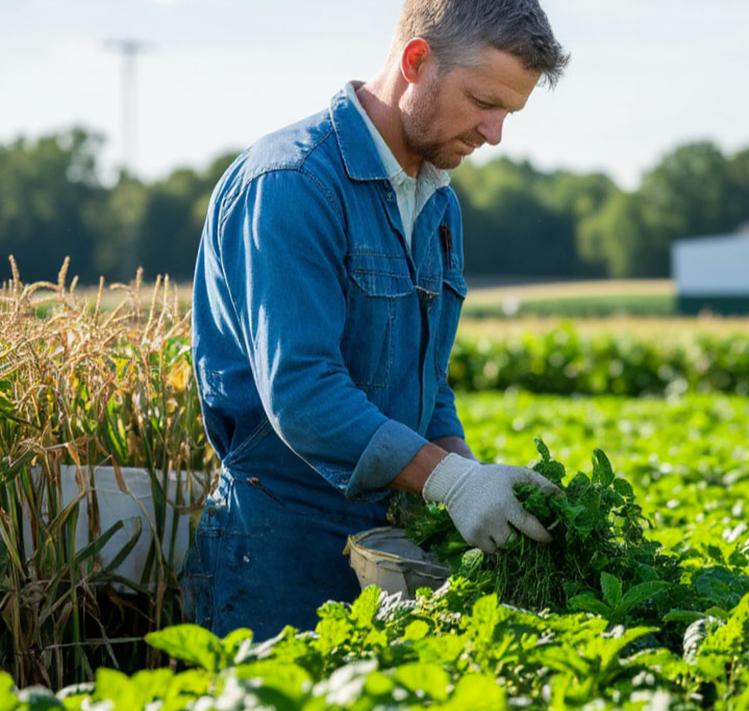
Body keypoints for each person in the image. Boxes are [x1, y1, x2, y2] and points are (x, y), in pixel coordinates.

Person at [184, 0, 570, 637]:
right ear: (417, 61)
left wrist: (471, 478)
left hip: (388, 548)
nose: (494, 133)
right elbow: (303, 393)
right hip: (280, 549)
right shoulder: (292, 183)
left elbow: (425, 383)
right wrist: (450, 481)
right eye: (483, 102)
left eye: (509, 113)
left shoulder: (436, 200)